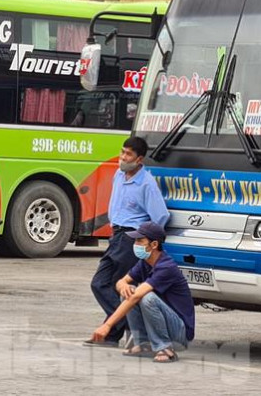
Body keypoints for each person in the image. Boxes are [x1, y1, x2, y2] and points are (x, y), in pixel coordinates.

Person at [85, 136, 169, 348]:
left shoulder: (146, 184)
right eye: (122, 152)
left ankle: (114, 332)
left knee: (118, 285)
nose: (122, 157)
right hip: (116, 235)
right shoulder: (118, 175)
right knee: (99, 283)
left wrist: (144, 239)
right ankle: (121, 326)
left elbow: (160, 216)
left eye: (128, 154)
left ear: (139, 159)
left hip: (131, 238)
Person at [90, 222, 195, 363]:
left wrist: (107, 325)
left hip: (179, 333)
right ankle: (143, 344)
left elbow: (137, 296)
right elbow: (121, 282)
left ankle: (165, 348)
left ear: (154, 245)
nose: (136, 244)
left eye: (140, 240)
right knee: (128, 292)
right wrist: (123, 287)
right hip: (165, 324)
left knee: (146, 297)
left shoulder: (166, 267)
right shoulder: (144, 262)